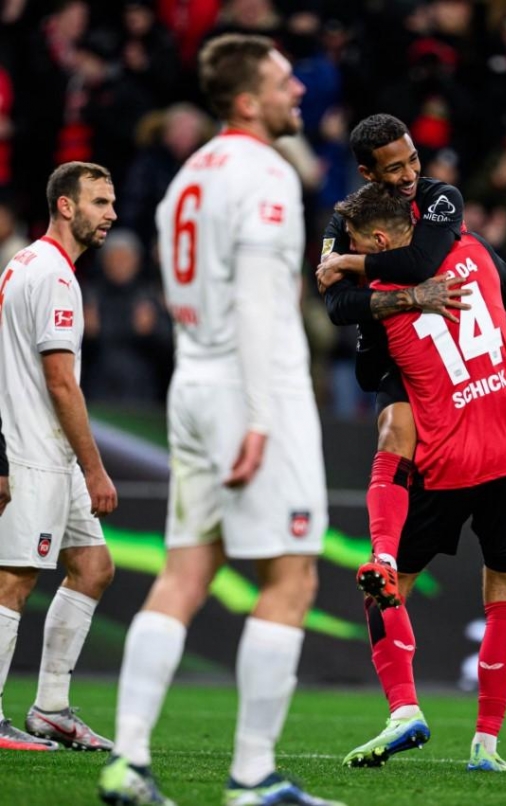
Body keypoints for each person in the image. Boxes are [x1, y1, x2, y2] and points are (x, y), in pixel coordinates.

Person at [97, 34, 341, 806]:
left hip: (194, 382)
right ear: (246, 100)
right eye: (280, 82)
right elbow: (264, 305)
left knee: (185, 569)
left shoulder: (184, 181)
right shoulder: (265, 175)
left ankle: (127, 762)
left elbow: (187, 296)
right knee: (291, 576)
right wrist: (264, 416)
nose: (297, 90)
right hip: (250, 387)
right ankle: (252, 776)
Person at [317, 113, 506, 612]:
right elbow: (334, 308)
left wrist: (353, 265)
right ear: (368, 174)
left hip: (474, 317)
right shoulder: (345, 220)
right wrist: (415, 297)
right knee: (394, 427)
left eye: (412, 158)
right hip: (424, 332)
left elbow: (415, 268)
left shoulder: (441, 198)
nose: (410, 173)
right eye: (394, 168)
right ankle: (385, 559)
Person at [334, 182, 506, 773]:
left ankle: (405, 709)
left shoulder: (379, 294)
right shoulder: (470, 249)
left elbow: (365, 367)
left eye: (356, 244)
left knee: (387, 584)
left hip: (443, 449)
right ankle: (487, 744)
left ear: (378, 241)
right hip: (505, 436)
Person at [0, 161, 118, 752]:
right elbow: (61, 383)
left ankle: (50, 709)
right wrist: (95, 467)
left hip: (50, 450)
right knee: (14, 579)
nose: (111, 214)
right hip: (33, 450)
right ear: (66, 206)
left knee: (94, 567)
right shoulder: (53, 275)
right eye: (99, 202)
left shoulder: (25, 262)